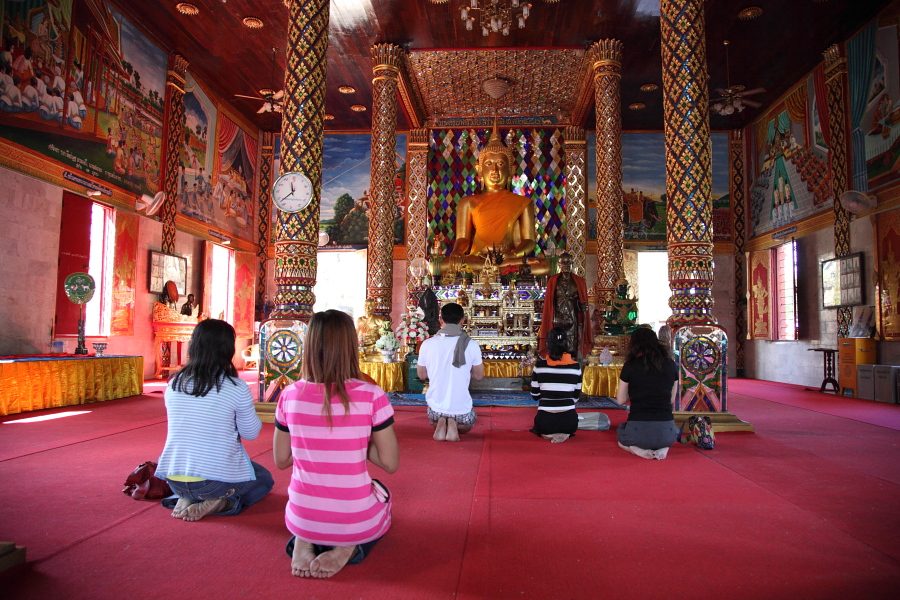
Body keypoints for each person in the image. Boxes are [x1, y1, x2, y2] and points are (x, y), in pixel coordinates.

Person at [274, 310, 399, 579]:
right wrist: (355, 440)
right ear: (351, 347)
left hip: (300, 514)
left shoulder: (290, 395)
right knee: (384, 495)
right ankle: (346, 546)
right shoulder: (371, 395)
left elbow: (281, 460)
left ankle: (304, 540)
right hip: (354, 518)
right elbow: (390, 463)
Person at [155, 319, 274, 520]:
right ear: (228, 349)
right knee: (263, 478)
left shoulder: (174, 384)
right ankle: (223, 501)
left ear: (194, 346)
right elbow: (251, 433)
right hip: (213, 483)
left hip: (174, 479)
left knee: (200, 476)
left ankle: (185, 497)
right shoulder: (236, 387)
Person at [450, 122, 536, 265]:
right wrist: (457, 252)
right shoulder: (467, 202)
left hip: (508, 259)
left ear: (511, 170)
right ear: (479, 170)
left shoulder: (523, 202)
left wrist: (514, 254)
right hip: (478, 259)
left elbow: (529, 241)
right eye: (489, 164)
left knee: (546, 265)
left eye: (501, 164)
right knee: (439, 265)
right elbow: (463, 239)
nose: (495, 170)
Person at [416, 302, 485, 442]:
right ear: (462, 320)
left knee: (436, 417)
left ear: (441, 320)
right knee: (467, 425)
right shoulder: (471, 344)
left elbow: (421, 375)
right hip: (462, 409)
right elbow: (479, 376)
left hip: (435, 407)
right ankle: (453, 422)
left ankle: (442, 421)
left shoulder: (427, 344)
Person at [612, 327, 679, 460]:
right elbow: (671, 399)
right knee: (662, 438)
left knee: (621, 436)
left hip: (637, 432)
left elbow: (620, 400)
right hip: (668, 434)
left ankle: (637, 450)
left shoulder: (630, 365)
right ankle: (663, 449)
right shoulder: (671, 365)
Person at [529, 326, 582, 443]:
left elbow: (535, 395)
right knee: (567, 421)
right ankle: (563, 433)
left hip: (545, 422)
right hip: (569, 422)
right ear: (568, 343)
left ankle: (547, 434)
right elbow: (575, 398)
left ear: (547, 343)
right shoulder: (576, 367)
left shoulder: (540, 366)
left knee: (540, 425)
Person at [539, 252, 592, 359]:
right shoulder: (553, 281)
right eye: (563, 263)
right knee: (557, 341)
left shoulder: (579, 282)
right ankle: (556, 359)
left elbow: (580, 301)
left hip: (572, 317)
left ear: (572, 264)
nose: (566, 266)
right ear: (559, 265)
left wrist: (582, 308)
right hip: (558, 317)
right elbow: (550, 302)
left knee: (571, 343)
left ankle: (571, 360)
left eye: (568, 263)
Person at [356, 297, 389, 362]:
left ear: (374, 307)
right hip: (362, 348)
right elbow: (357, 334)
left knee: (384, 356)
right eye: (365, 306)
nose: (367, 308)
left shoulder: (380, 319)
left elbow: (385, 336)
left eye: (370, 306)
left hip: (375, 348)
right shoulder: (360, 320)